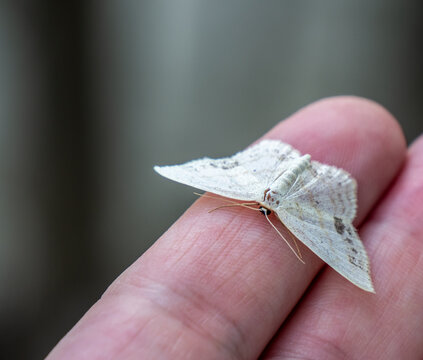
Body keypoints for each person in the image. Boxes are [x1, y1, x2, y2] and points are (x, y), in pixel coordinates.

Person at [47, 97, 423, 359]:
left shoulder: (281, 212)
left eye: (265, 210)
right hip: (279, 182)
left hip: (285, 177)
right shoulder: (264, 203)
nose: (264, 212)